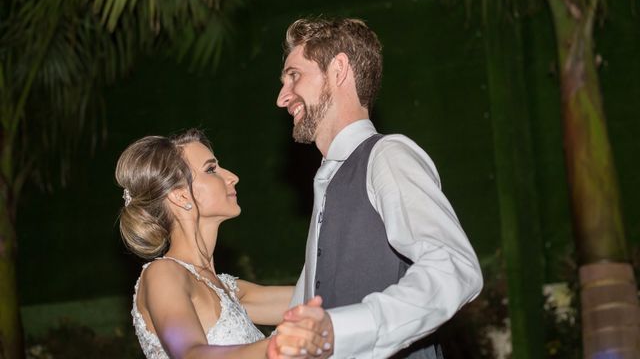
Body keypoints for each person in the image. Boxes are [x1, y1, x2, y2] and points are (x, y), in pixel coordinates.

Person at [274, 18, 484, 358]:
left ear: (338, 69)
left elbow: (454, 268)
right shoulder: (328, 183)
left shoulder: (386, 156)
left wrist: (341, 330)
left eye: (294, 75)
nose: (282, 97)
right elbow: (305, 308)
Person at [116, 129, 330, 359]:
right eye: (211, 169)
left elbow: (320, 297)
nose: (232, 177)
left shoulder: (230, 291)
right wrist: (273, 347)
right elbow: (190, 354)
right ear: (180, 196)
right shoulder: (163, 274)